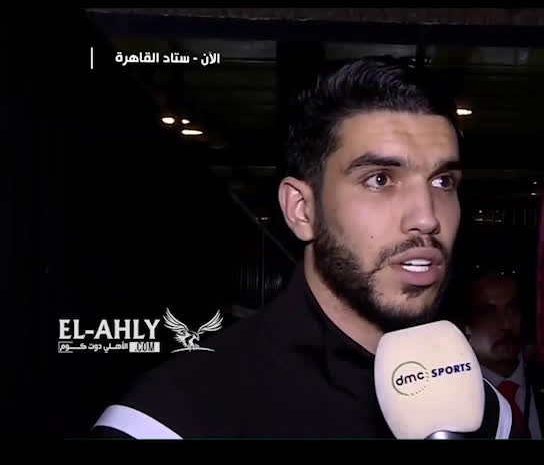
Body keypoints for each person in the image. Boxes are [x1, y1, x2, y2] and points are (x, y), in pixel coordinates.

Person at [91, 57, 510, 439]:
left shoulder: (485, 413)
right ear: (302, 210)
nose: (427, 216)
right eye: (380, 179)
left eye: (443, 181)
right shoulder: (169, 420)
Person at [460, 268, 544, 439]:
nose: (506, 324)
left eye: (512, 309)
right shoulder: (456, 401)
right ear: (467, 327)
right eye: (489, 313)